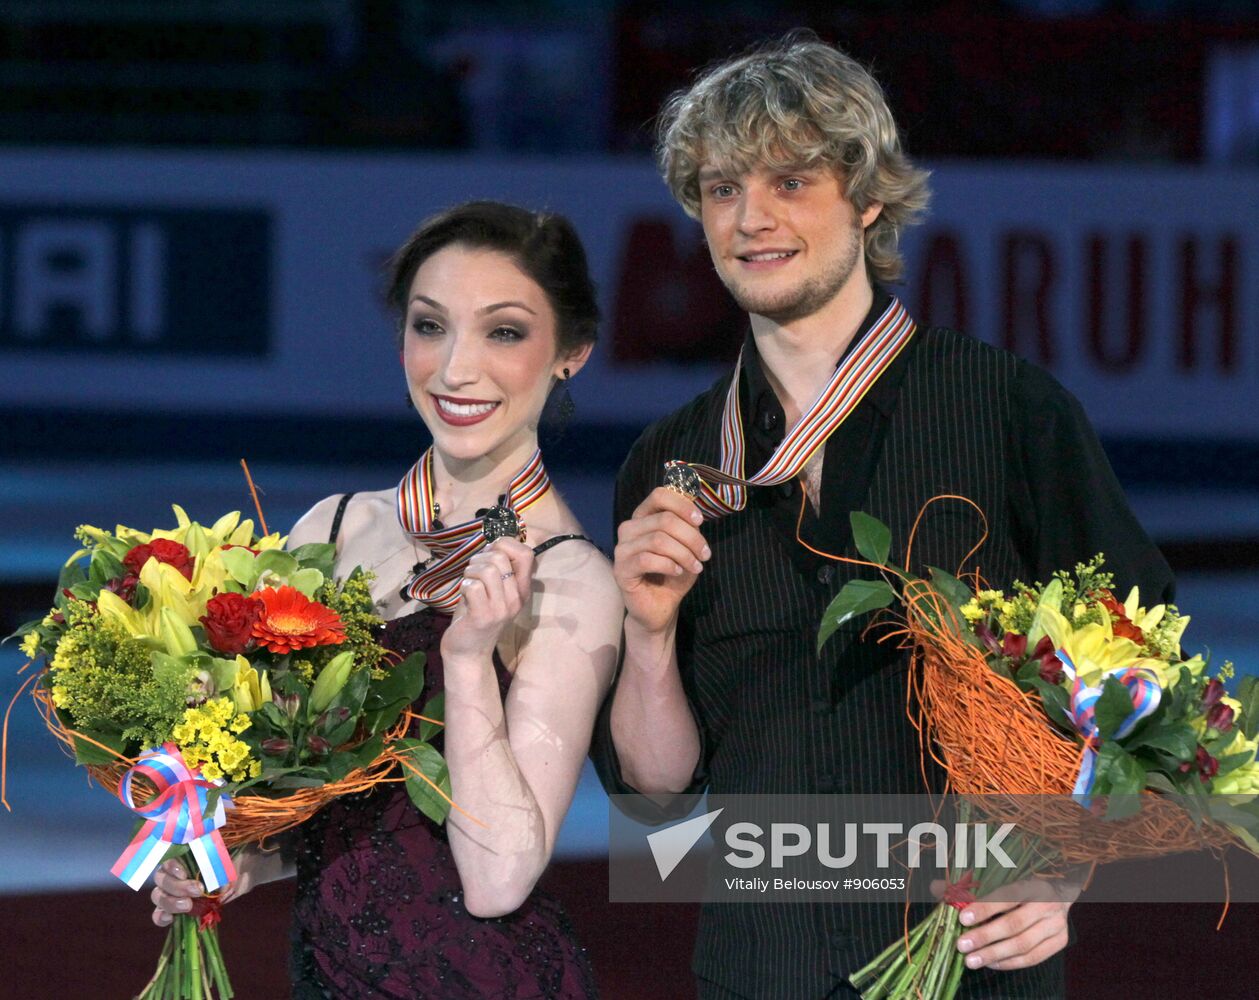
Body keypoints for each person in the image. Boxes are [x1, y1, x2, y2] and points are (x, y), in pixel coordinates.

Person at [593, 32, 1174, 1000]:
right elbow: (656, 794)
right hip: (756, 968)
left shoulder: (1002, 409)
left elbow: (1139, 657)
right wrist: (647, 636)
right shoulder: (666, 464)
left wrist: (1067, 862)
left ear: (867, 200)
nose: (750, 218)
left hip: (971, 956)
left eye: (789, 183)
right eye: (721, 188)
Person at [150, 201, 622, 998]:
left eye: (503, 332)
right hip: (326, 973)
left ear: (570, 352)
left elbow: (497, 878)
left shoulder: (569, 579)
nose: (454, 370)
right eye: (430, 326)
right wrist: (233, 856)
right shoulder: (330, 530)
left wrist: (467, 660)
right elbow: (337, 812)